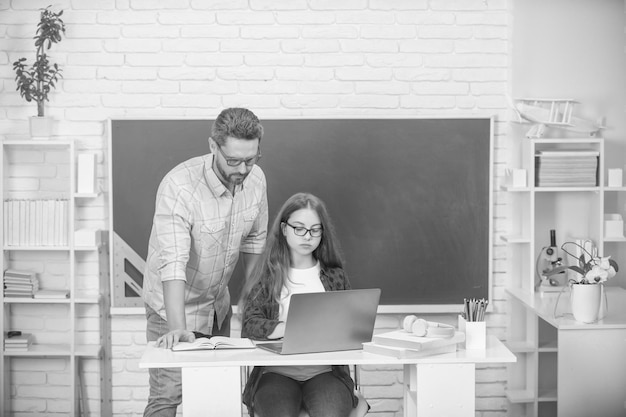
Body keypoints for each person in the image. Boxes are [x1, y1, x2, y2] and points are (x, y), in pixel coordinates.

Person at [142, 108, 268, 417]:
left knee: (216, 395)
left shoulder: (256, 180)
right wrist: (178, 332)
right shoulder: (180, 187)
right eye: (233, 160)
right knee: (167, 396)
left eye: (250, 160)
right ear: (213, 146)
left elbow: (254, 242)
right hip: (172, 307)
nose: (242, 169)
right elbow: (173, 263)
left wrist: (260, 308)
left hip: (216, 304)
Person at [239, 192, 360, 417]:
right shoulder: (267, 275)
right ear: (284, 229)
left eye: (315, 230)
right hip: (275, 373)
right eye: (299, 228)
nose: (307, 236)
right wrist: (289, 328)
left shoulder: (335, 277)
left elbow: (351, 326)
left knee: (331, 413)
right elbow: (250, 324)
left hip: (326, 373)